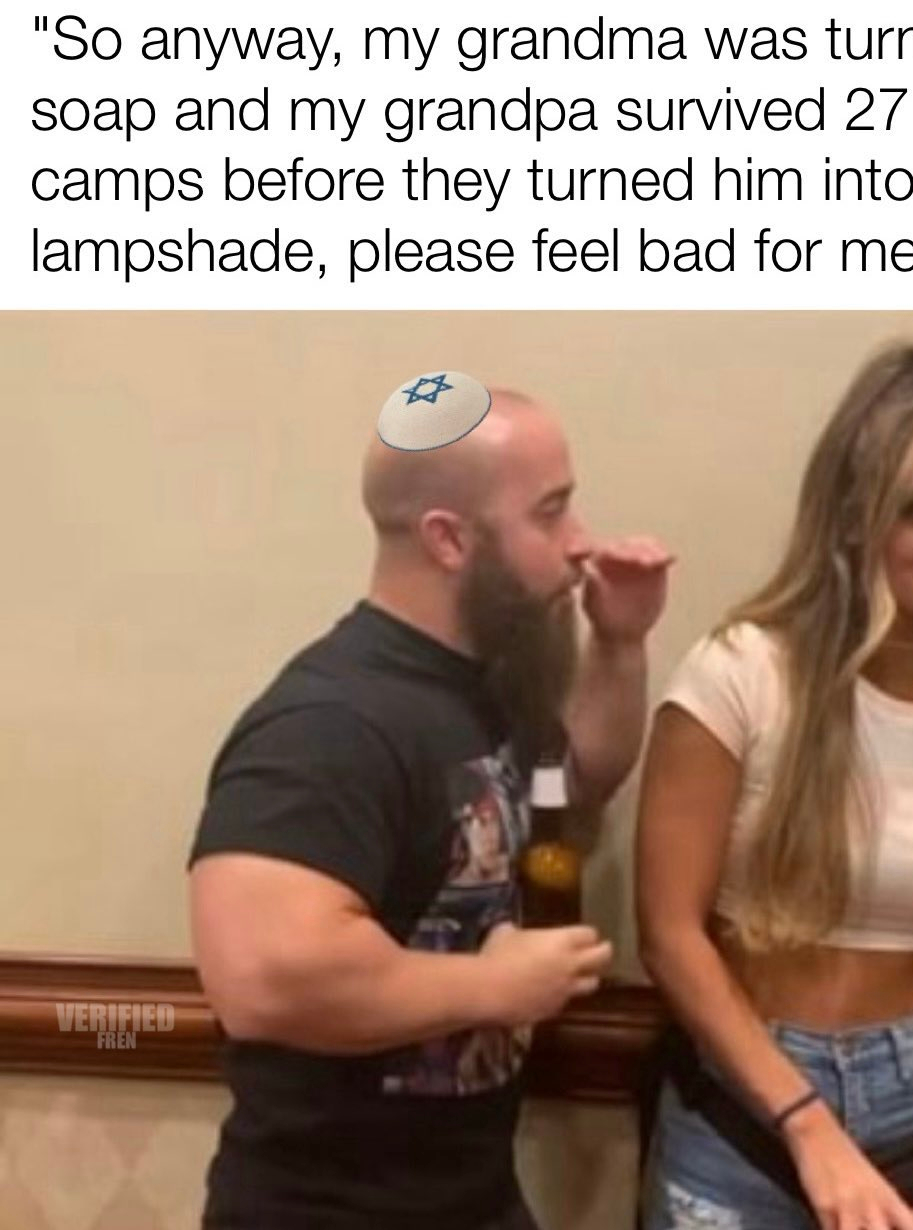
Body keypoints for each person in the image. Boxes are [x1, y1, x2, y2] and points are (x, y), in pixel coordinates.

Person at [189, 386, 672, 1230]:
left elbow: (577, 777)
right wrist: (491, 985)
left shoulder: (487, 681)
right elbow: (264, 980)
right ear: (448, 539)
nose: (580, 539)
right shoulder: (329, 722)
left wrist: (621, 642)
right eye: (550, 512)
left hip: (468, 1197)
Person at [637, 344, 913, 1230]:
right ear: (852, 513)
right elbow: (670, 935)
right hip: (745, 1100)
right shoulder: (742, 676)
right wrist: (807, 1125)